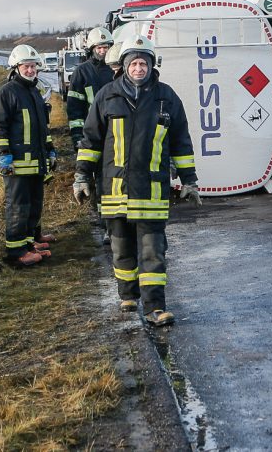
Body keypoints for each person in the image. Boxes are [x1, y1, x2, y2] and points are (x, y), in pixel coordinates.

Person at [73, 34, 201, 327]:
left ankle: (155, 307)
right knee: (121, 248)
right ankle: (128, 295)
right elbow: (90, 140)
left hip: (152, 190)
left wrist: (190, 180)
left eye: (144, 63)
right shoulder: (107, 96)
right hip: (114, 189)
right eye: (134, 63)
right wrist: (81, 175)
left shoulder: (167, 98)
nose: (139, 68)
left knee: (153, 251)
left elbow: (181, 141)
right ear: (125, 66)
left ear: (152, 65)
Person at [0, 44, 57, 267]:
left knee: (33, 205)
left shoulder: (34, 92)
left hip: (36, 162)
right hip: (17, 164)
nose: (30, 70)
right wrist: (4, 155)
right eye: (26, 66)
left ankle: (28, 244)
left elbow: (41, 128)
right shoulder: (7, 93)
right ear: (16, 68)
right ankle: (16, 253)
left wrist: (50, 149)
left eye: (33, 66)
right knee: (18, 207)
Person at [66, 27, 115, 243]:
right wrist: (78, 137)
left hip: (118, 136)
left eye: (107, 47)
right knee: (100, 183)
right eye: (100, 47)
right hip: (94, 136)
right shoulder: (82, 73)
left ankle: (118, 224)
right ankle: (106, 225)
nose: (103, 51)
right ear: (92, 49)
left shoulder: (118, 69)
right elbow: (75, 110)